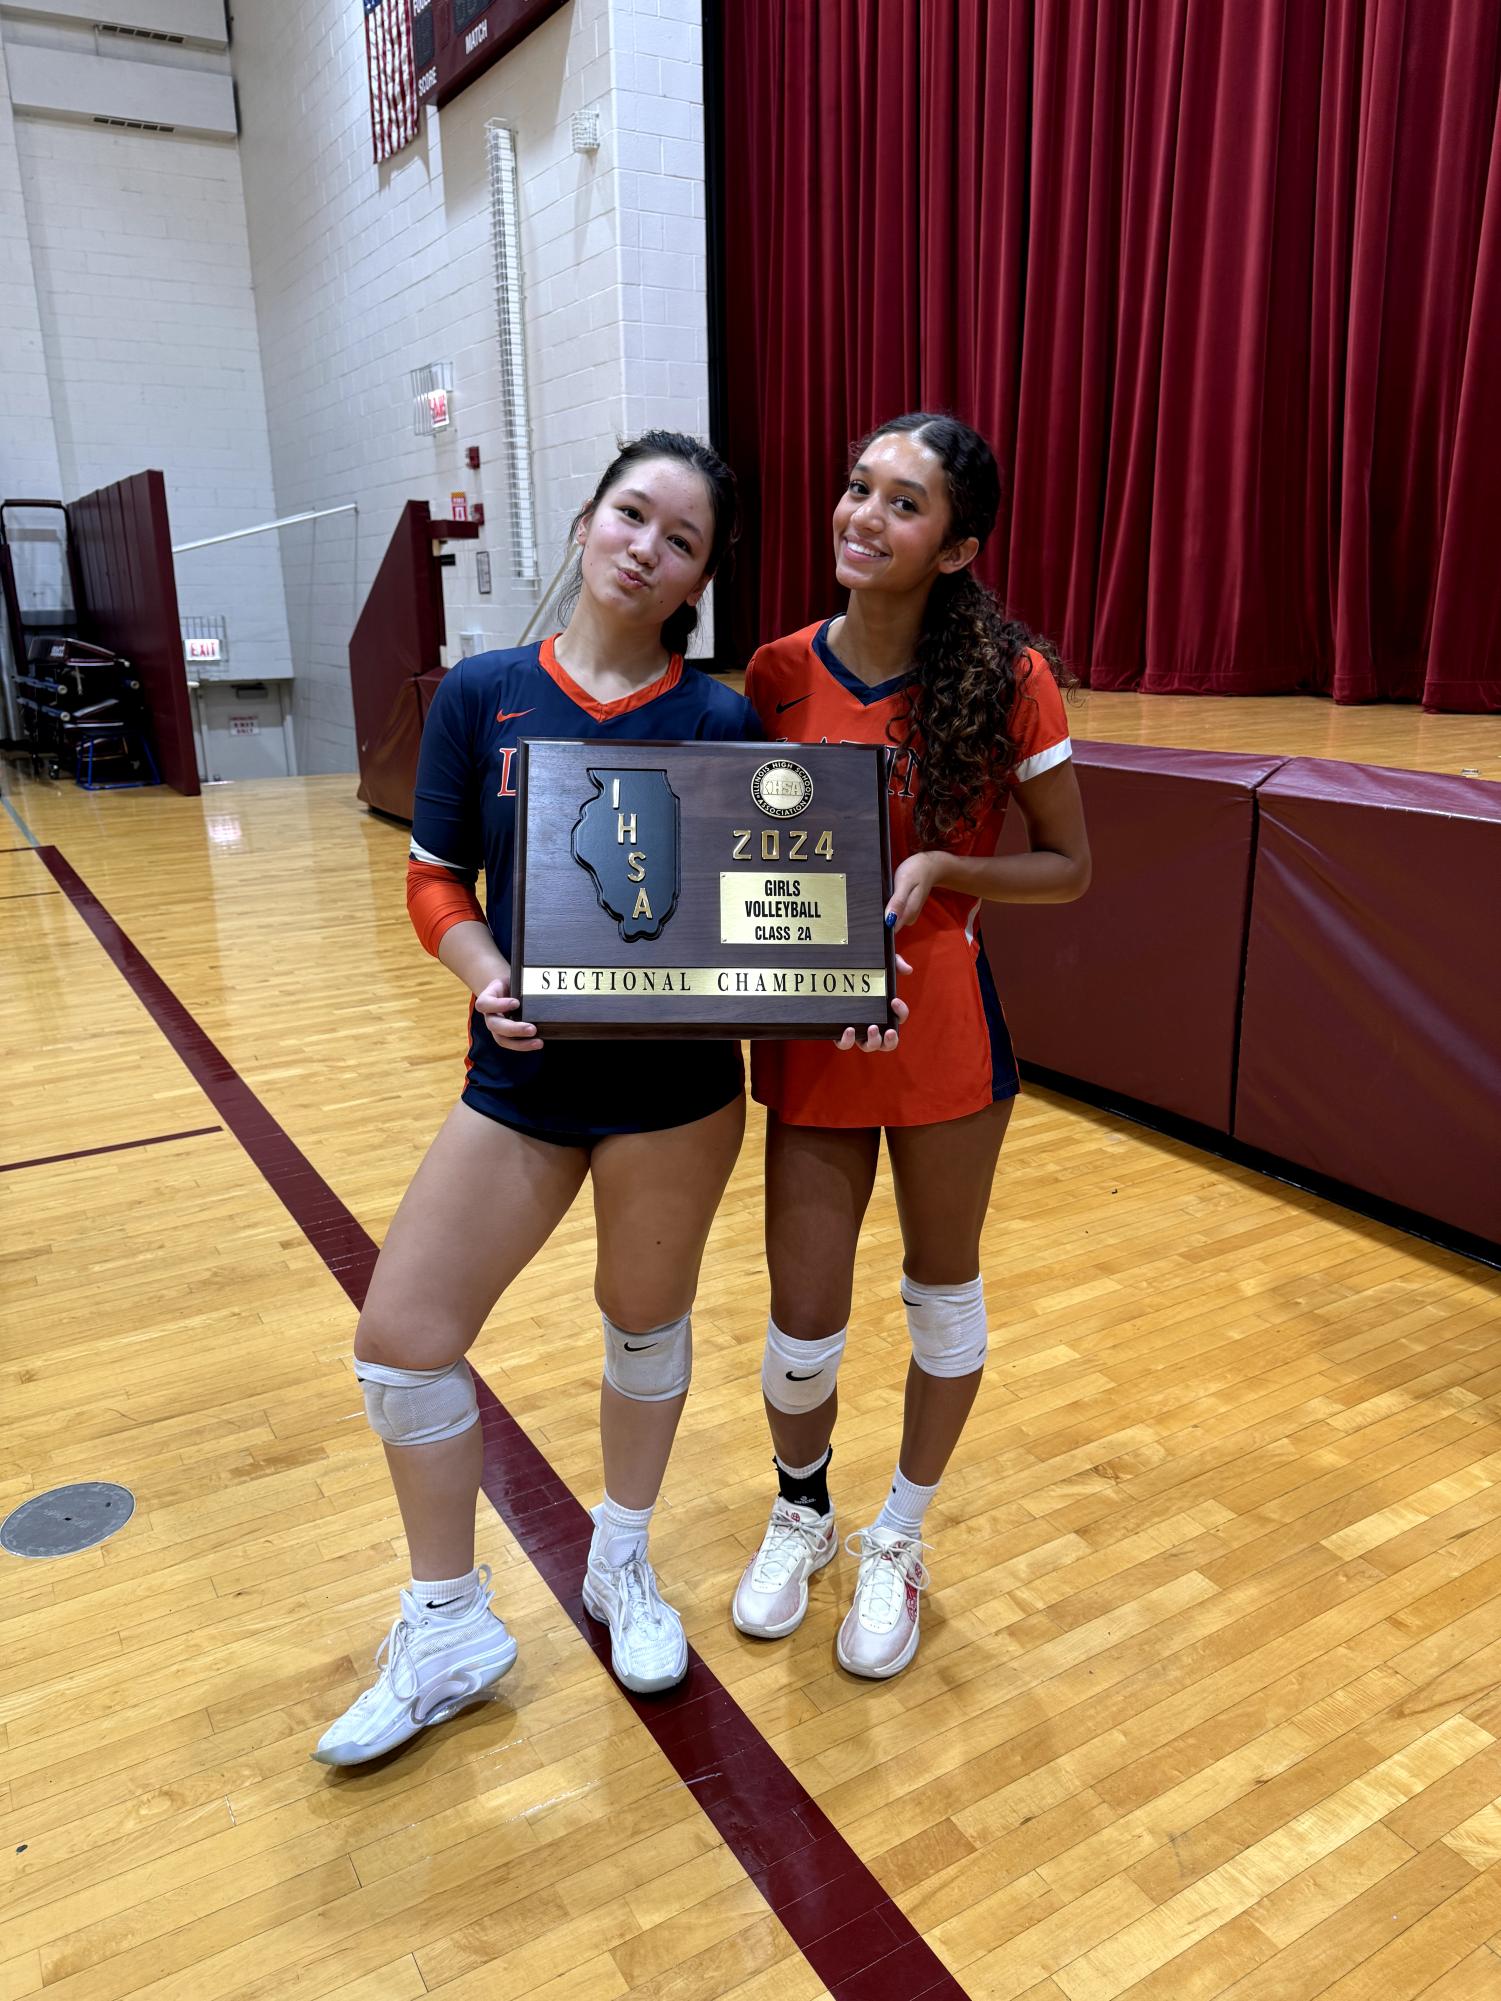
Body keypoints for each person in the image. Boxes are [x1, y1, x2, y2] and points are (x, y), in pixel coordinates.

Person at [315, 432, 757, 1766]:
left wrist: (834, 979)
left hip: (675, 1090)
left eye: (680, 540)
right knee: (403, 1335)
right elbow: (434, 875)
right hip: (522, 1074)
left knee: (642, 1319)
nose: (647, 547)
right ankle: (446, 1619)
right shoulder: (484, 694)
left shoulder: (722, 722)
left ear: (696, 580)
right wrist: (482, 964)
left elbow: (756, 913)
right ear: (584, 520)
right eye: (632, 514)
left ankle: (622, 1559)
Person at [732, 411, 1091, 1679]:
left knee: (942, 1302)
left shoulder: (1009, 676)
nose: (861, 516)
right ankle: (802, 1509)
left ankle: (898, 1534)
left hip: (943, 1031)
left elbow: (1071, 864)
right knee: (801, 1321)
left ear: (955, 546)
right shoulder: (774, 673)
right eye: (855, 488)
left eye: (901, 502)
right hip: (814, 1038)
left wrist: (943, 864)